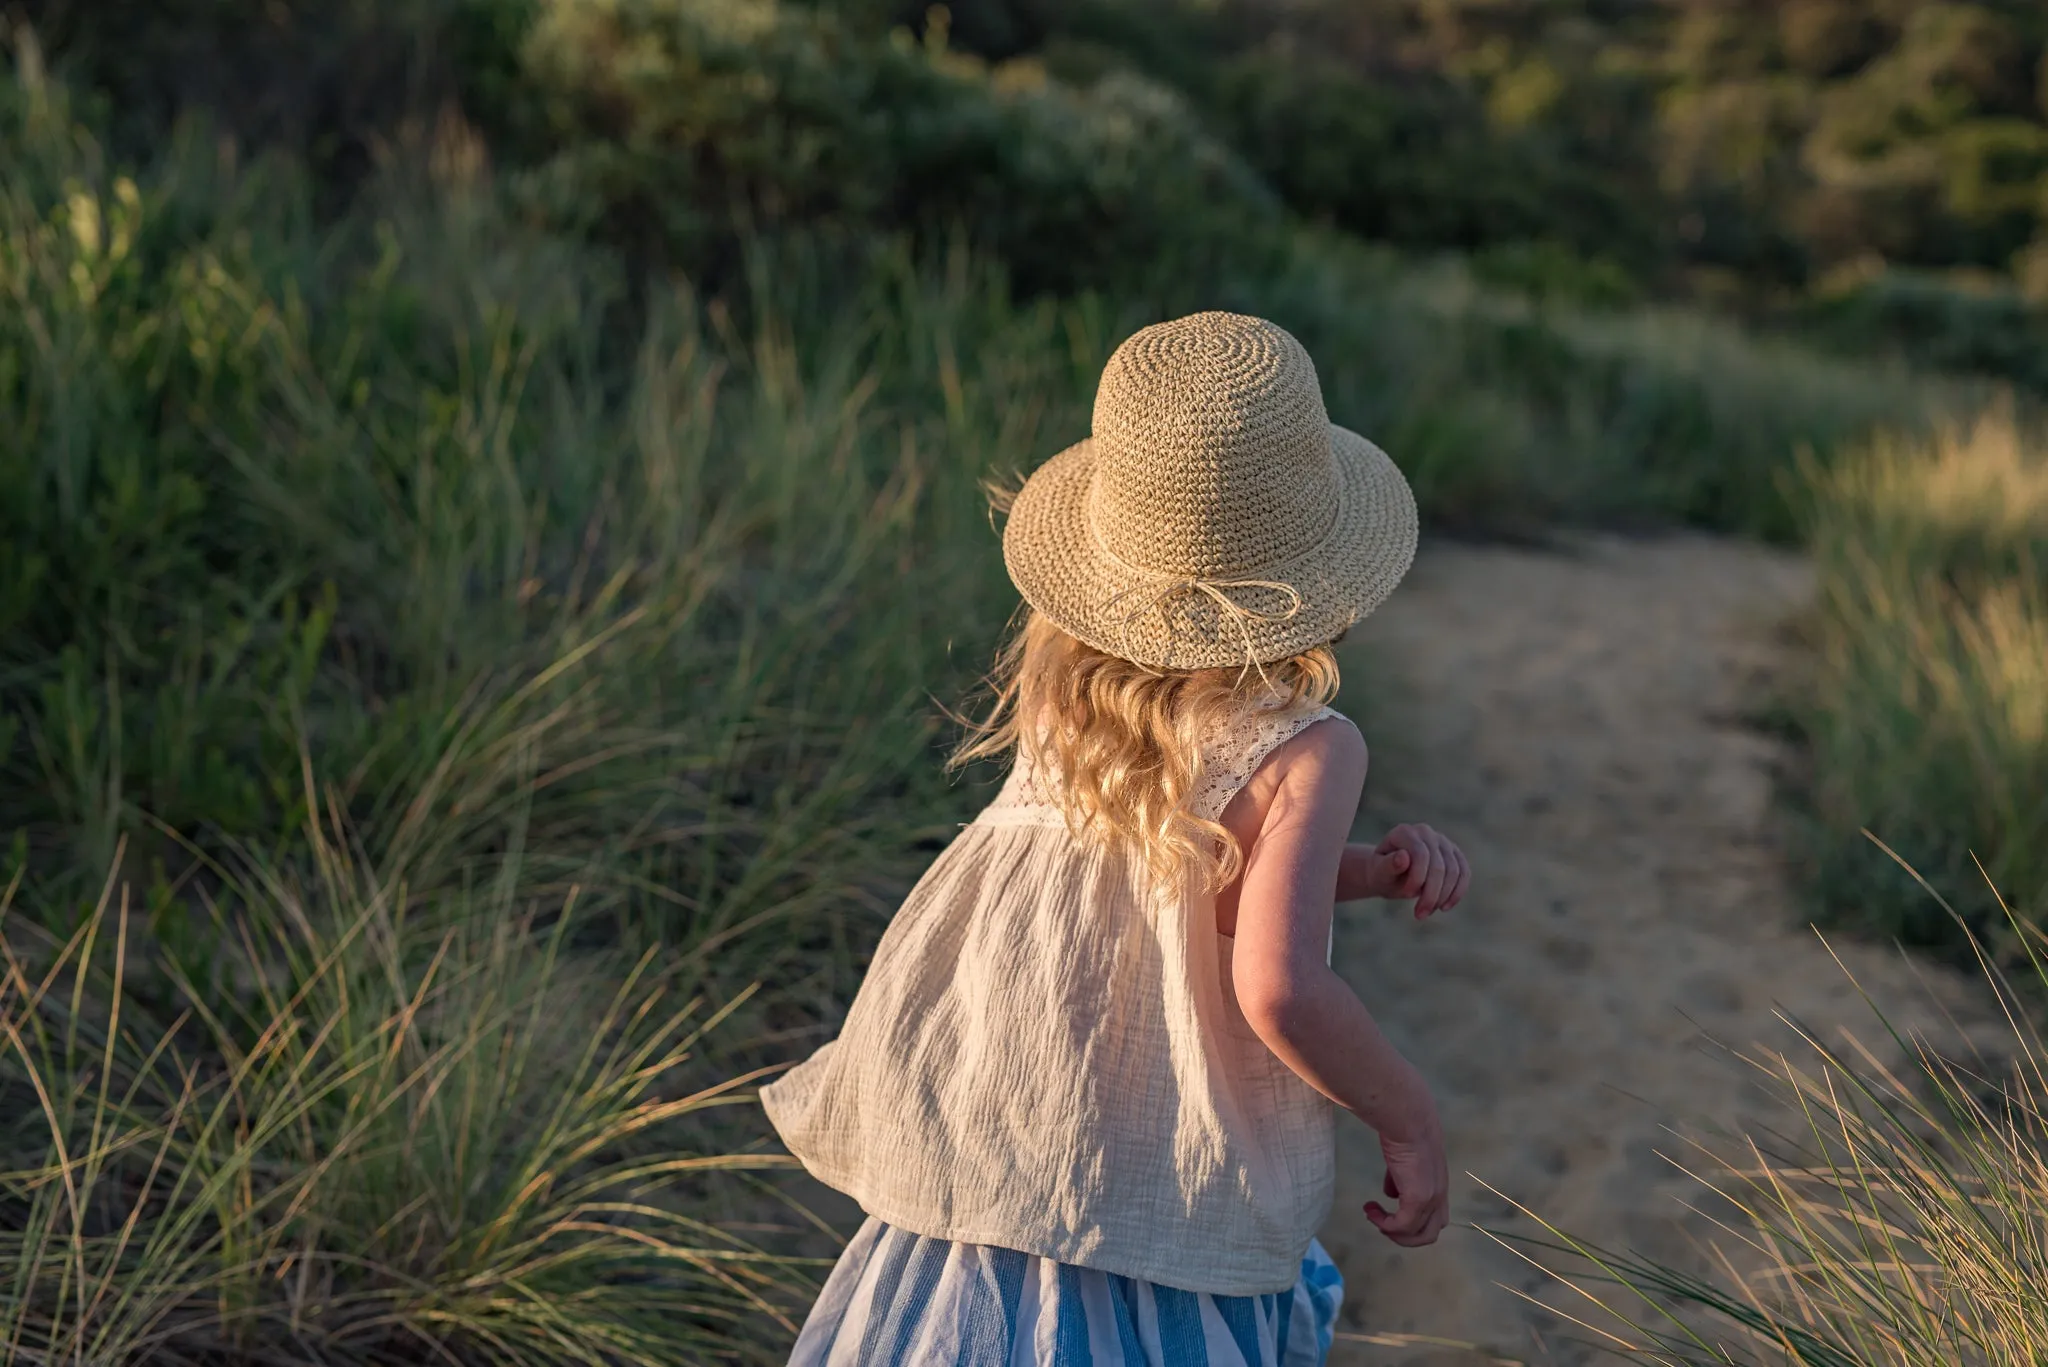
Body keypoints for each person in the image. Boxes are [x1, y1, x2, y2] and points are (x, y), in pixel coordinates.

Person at [760, 311, 1471, 1365]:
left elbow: (1167, 878)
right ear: (1319, 560)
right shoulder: (1309, 747)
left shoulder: (1067, 703)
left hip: (991, 1160)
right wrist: (1405, 1115)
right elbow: (1274, 986)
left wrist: (1357, 871)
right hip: (1152, 1196)